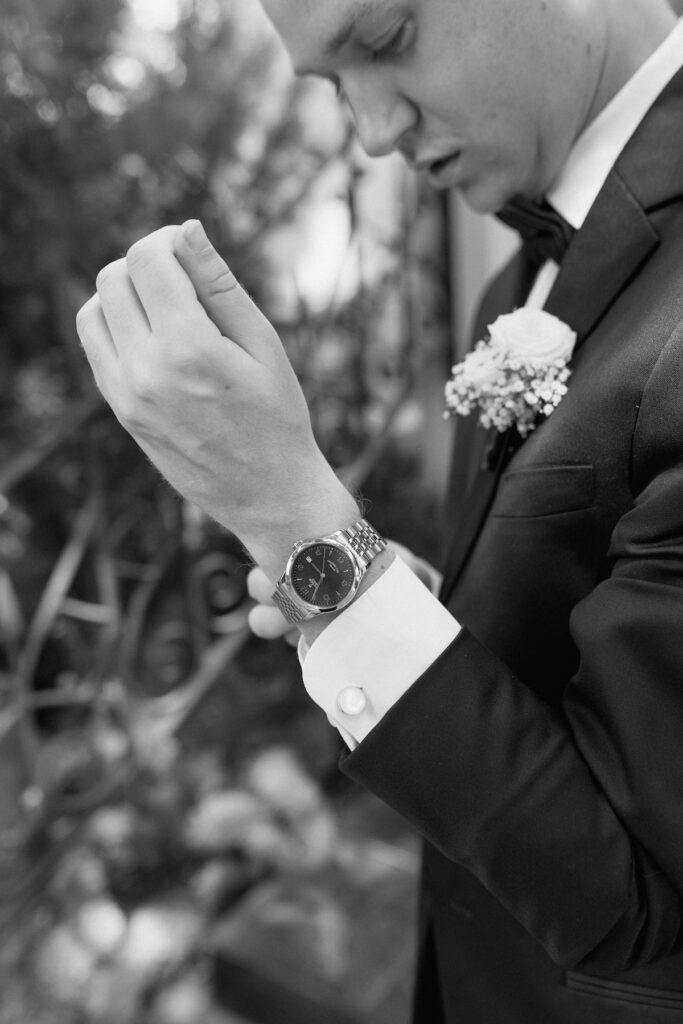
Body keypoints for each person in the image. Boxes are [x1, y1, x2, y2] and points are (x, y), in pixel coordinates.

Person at [76, 0, 683, 1019]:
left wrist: (294, 517)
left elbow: (642, 906)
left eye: (385, 41)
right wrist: (388, 603)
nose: (370, 132)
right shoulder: (520, 269)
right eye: (326, 83)